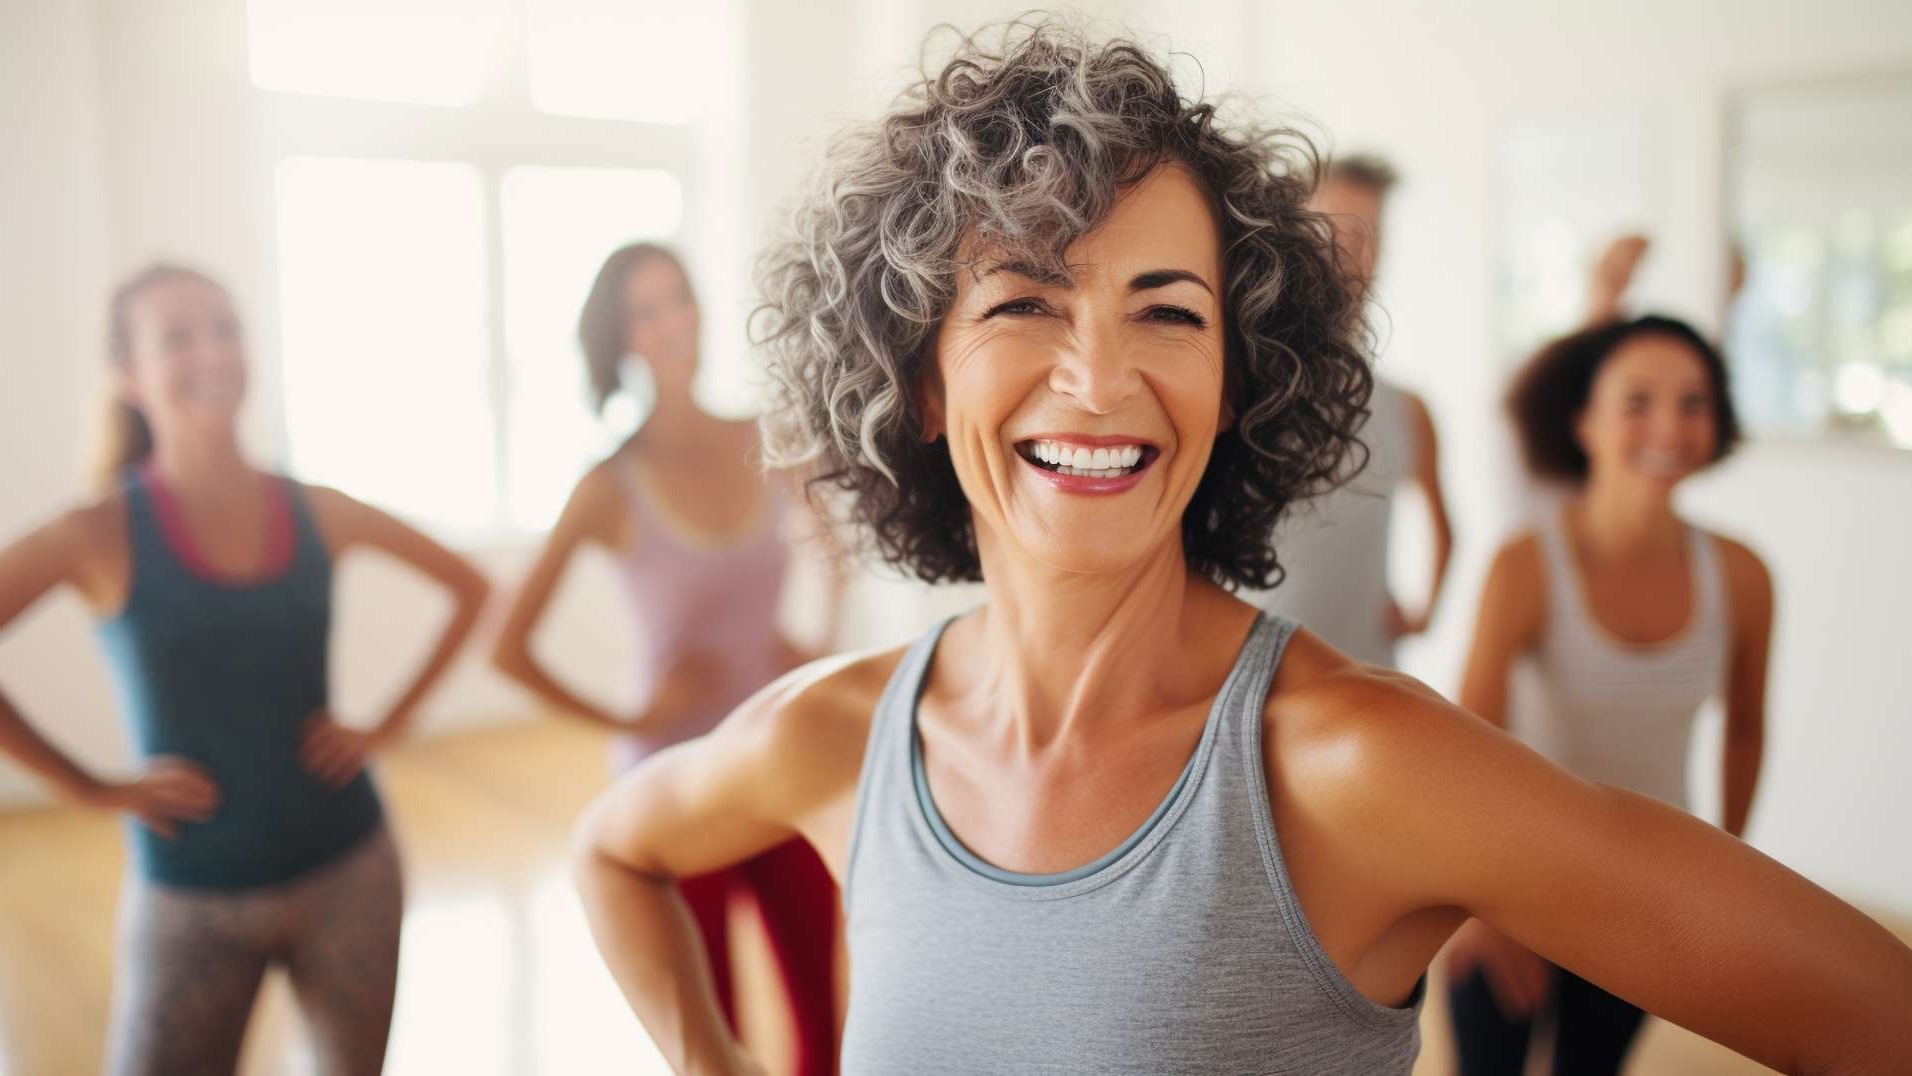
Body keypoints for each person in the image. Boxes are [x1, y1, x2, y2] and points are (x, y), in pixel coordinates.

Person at [570, 22, 1912, 1075]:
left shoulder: (1353, 764)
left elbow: (1874, 1017)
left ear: (1240, 374)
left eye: (1167, 313)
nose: (1099, 382)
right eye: (1027, 302)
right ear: (919, 379)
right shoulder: (838, 734)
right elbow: (615, 854)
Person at [0, 263, 490, 1075]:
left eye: (226, 328)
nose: (213, 352)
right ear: (128, 374)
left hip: (351, 874)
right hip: (190, 895)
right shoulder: (97, 532)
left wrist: (390, 723)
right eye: (179, 337)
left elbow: (469, 587)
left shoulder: (317, 508)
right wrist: (84, 785)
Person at [490, 242, 842, 1074]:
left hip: (774, 765)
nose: (672, 322)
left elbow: (840, 533)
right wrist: (628, 715)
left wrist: (817, 640)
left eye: (678, 299)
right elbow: (508, 647)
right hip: (672, 782)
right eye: (646, 311)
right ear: (622, 340)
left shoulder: (766, 439)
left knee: (821, 1024)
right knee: (711, 1044)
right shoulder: (610, 483)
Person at [1446, 312, 1772, 1075]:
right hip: (1517, 887)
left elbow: (1747, 730)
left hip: (1649, 898)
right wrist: (1479, 912)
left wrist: (1728, 881)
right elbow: (1462, 746)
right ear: (1583, 421)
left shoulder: (1743, 575)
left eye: (1694, 402)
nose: (1669, 425)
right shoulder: (1524, 568)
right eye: (1638, 401)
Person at [1259, 154, 1452, 666]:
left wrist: (1423, 612)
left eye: (1370, 236)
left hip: (1367, 670)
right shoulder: (1251, 386)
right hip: (1253, 676)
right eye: (1335, 231)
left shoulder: (1406, 409)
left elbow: (1443, 523)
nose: (1352, 254)